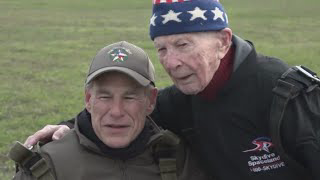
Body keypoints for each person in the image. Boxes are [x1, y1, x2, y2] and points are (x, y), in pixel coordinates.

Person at [24, 0, 320, 180]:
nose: (171, 63)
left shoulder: (285, 93)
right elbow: (126, 112)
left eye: (183, 45)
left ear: (223, 41)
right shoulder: (181, 101)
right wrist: (69, 126)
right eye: (162, 49)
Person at [10, 41, 210, 180]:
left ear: (150, 101)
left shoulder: (177, 160)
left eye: (129, 97)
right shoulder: (48, 165)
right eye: (105, 97)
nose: (116, 111)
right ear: (89, 99)